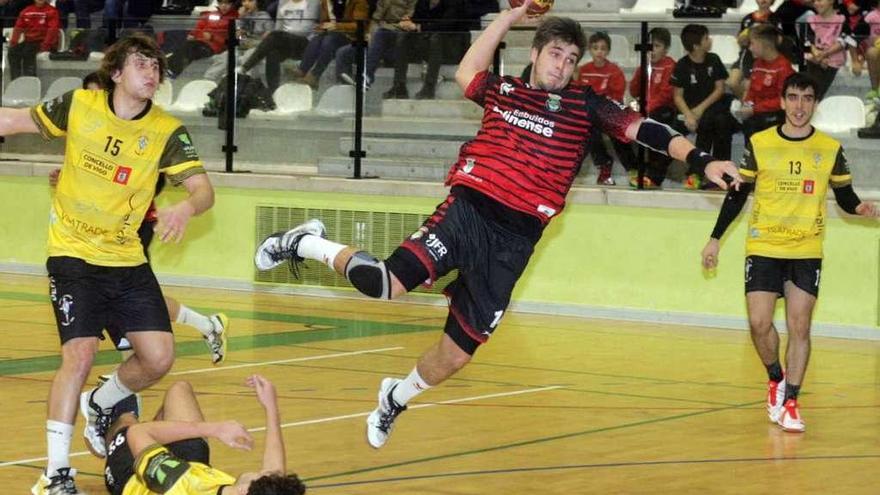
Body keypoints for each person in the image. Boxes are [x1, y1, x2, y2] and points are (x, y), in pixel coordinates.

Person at [254, 3, 741, 450]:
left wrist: (702, 159)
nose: (563, 65)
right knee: (385, 283)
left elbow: (648, 131)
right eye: (555, 54)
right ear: (534, 53)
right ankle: (304, 242)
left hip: (514, 244)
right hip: (468, 212)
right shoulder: (503, 90)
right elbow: (468, 71)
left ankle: (395, 397)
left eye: (571, 59)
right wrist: (509, 17)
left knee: (455, 356)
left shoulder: (586, 105)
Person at [0, 33, 215, 493]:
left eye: (156, 66)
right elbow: (14, 118)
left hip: (126, 260)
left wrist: (186, 207)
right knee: (78, 354)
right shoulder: (79, 106)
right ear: (116, 73)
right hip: (72, 253)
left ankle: (102, 400)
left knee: (159, 357)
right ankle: (56, 474)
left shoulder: (166, 131)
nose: (151, 72)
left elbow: (203, 189)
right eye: (141, 63)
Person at [701, 72, 879, 433]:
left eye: (807, 98)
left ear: (815, 103)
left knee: (800, 326)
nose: (800, 106)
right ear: (783, 102)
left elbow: (845, 196)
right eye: (794, 98)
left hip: (806, 249)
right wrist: (715, 238)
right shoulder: (760, 142)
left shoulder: (830, 149)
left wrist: (860, 208)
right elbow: (738, 194)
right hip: (764, 245)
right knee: (759, 323)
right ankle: (775, 377)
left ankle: (792, 402)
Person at [47, 74, 230, 367]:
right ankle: (207, 325)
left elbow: (146, 182)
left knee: (123, 308)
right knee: (128, 307)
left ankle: (125, 391)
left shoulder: (146, 135)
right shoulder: (89, 126)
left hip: (131, 230)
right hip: (89, 240)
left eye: (98, 94)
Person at [103, 375, 305, 494]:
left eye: (261, 475)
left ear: (243, 491)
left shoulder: (180, 485)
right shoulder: (248, 491)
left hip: (137, 477)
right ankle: (160, 434)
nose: (268, 471)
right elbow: (275, 472)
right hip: (196, 468)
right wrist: (271, 407)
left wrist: (213, 429)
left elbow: (137, 433)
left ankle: (106, 416)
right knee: (179, 390)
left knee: (127, 421)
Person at [671, 23, 737, 190]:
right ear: (696, 45)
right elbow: (677, 96)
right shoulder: (682, 65)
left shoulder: (713, 59)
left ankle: (721, 173)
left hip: (714, 106)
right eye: (707, 38)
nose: (710, 40)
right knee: (674, 127)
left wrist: (700, 110)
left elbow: (720, 89)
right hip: (691, 109)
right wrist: (689, 115)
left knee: (720, 122)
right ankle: (696, 172)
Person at [577, 31, 637, 186]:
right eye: (595, 48)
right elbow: (580, 93)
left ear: (608, 51)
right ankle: (604, 166)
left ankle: (633, 169)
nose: (599, 52)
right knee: (588, 130)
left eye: (603, 48)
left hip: (609, 111)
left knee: (618, 130)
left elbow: (616, 96)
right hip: (591, 113)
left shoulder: (614, 71)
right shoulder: (583, 70)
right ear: (590, 50)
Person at [380, 0, 469, 100]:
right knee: (404, 37)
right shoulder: (423, 2)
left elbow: (446, 26)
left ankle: (429, 86)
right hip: (429, 43)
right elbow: (417, 20)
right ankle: (399, 85)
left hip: (452, 47)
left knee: (437, 37)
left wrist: (419, 27)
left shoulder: (454, 3)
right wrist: (408, 22)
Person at [627, 27, 677, 189]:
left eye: (656, 46)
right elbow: (634, 91)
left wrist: (645, 110)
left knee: (653, 123)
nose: (652, 50)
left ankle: (653, 176)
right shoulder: (645, 65)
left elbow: (666, 95)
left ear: (666, 48)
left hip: (666, 110)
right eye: (649, 46)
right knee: (618, 122)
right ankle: (636, 168)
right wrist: (642, 67)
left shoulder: (670, 65)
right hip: (647, 109)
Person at [238, 0, 320, 90]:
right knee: (272, 52)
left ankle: (245, 67)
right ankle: (273, 91)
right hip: (285, 41)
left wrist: (282, 35)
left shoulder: (312, 2)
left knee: (275, 36)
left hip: (306, 43)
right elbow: (278, 27)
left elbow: (305, 29)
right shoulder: (283, 2)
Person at [336, 0, 418, 89]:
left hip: (399, 36)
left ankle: (367, 77)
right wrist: (371, 34)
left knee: (381, 34)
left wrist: (383, 29)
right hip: (379, 35)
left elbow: (407, 21)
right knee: (343, 52)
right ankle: (346, 86)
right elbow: (376, 19)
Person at [736, 24, 795, 140]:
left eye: (752, 43)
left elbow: (783, 100)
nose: (750, 48)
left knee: (757, 126)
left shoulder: (783, 68)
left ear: (766, 45)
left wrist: (754, 109)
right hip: (757, 112)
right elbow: (752, 90)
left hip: (775, 114)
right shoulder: (757, 63)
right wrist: (747, 105)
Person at [293, 0, 370, 89]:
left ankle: (315, 75)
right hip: (333, 34)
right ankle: (302, 70)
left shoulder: (358, 2)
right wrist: (321, 27)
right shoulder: (326, 2)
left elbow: (359, 26)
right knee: (316, 40)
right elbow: (324, 21)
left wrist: (337, 26)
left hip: (352, 38)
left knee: (329, 41)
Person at [166, 0, 239, 79]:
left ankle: (171, 71)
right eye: (221, 3)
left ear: (232, 4)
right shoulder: (211, 14)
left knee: (190, 48)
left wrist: (213, 38)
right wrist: (192, 34)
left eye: (227, 3)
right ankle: (166, 67)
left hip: (214, 47)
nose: (224, 6)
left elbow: (232, 41)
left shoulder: (235, 18)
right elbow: (200, 25)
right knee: (184, 45)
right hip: (200, 41)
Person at [204, 0, 273, 81]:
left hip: (256, 47)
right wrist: (240, 17)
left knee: (248, 57)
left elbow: (269, 37)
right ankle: (208, 80)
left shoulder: (264, 17)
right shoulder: (243, 16)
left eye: (250, 1)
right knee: (225, 57)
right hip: (242, 45)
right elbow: (236, 35)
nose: (246, 3)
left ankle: (245, 83)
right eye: (244, 1)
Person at [728, 0, 783, 98]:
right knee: (732, 82)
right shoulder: (747, 19)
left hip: (765, 58)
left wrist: (765, 32)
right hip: (747, 55)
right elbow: (740, 41)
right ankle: (747, 104)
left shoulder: (776, 18)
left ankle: (752, 106)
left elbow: (779, 41)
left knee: (749, 84)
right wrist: (748, 33)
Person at [803, 0, 855, 99]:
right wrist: (819, 56)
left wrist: (824, 55)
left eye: (820, 0)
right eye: (814, 1)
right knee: (809, 76)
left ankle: (814, 99)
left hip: (833, 58)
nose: (816, 3)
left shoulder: (841, 19)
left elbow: (843, 40)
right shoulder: (811, 20)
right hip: (815, 57)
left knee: (817, 89)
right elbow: (808, 41)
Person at [8, 0, 61, 79]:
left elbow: (52, 30)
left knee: (28, 51)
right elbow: (18, 28)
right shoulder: (26, 11)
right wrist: (13, 42)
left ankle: (30, 79)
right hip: (29, 41)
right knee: (12, 51)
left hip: (43, 42)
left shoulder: (52, 11)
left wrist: (45, 45)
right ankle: (15, 79)